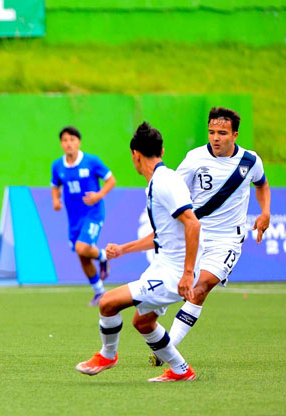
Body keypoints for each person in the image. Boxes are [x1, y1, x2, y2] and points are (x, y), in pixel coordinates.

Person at [75, 121, 201, 382]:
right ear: (162, 151)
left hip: (174, 272)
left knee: (108, 303)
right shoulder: (158, 181)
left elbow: (192, 222)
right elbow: (163, 233)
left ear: (135, 154)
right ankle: (181, 370)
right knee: (142, 323)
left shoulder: (165, 182)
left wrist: (187, 273)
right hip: (164, 265)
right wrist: (124, 249)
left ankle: (107, 355)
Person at [158, 107, 270, 357]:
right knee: (175, 287)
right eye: (211, 132)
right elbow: (175, 191)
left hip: (227, 239)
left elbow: (261, 184)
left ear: (235, 135)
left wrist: (265, 212)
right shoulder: (195, 158)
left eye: (222, 132)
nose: (215, 138)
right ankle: (156, 331)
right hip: (195, 235)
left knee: (200, 288)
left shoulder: (250, 161)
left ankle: (167, 349)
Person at [50, 126, 116, 306]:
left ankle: (103, 256)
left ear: (78, 142)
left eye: (72, 139)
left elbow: (111, 180)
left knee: (82, 247)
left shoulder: (91, 161)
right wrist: (56, 200)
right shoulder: (57, 165)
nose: (68, 143)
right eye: (65, 140)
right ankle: (99, 291)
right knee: (83, 256)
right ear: (61, 144)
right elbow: (55, 185)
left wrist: (99, 195)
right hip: (74, 217)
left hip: (93, 212)